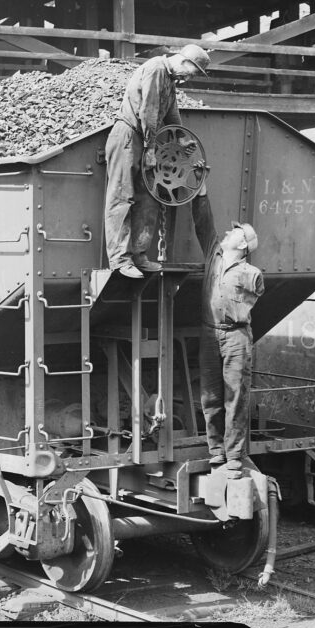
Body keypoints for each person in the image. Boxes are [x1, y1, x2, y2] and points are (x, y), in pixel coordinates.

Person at [104, 44, 211, 279]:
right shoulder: (155, 69)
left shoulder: (170, 82)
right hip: (128, 136)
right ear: (185, 62)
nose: (189, 79)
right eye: (192, 73)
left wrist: (181, 140)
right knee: (122, 196)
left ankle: (139, 256)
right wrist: (151, 148)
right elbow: (149, 111)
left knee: (148, 198)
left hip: (145, 139)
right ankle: (120, 260)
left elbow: (171, 114)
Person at [190, 177, 264, 478]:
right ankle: (216, 452)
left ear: (243, 244)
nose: (227, 232)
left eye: (234, 231)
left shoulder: (251, 273)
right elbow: (203, 223)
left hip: (235, 336)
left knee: (235, 396)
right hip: (210, 333)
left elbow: (247, 302)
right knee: (210, 397)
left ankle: (234, 456)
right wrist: (201, 190)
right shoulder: (213, 256)